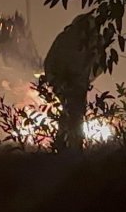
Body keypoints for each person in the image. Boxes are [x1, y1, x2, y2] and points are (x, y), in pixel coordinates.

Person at [43, 12, 103, 151]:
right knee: (74, 114)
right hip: (66, 83)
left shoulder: (90, 41)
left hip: (71, 84)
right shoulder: (75, 40)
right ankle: (72, 147)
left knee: (69, 113)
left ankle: (64, 145)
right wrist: (58, 81)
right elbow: (51, 63)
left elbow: (97, 66)